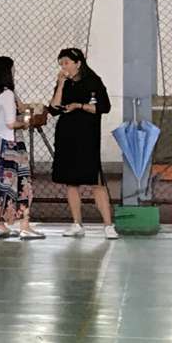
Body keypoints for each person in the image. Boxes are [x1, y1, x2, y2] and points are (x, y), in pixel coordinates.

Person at [51, 46, 119, 240]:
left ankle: (108, 225)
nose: (64, 67)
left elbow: (104, 107)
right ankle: (77, 223)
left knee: (96, 182)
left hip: (87, 137)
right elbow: (54, 108)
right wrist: (60, 84)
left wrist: (80, 106)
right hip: (66, 136)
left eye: (66, 63)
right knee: (71, 182)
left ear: (78, 63)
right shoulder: (64, 83)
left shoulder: (93, 81)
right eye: (61, 64)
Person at [0, 57, 42, 241]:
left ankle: (0, 225)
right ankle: (24, 226)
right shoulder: (7, 94)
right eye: (13, 69)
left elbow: (17, 109)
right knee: (22, 184)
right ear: (8, 71)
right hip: (11, 146)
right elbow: (11, 123)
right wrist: (25, 123)